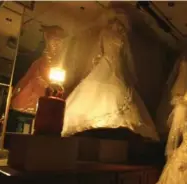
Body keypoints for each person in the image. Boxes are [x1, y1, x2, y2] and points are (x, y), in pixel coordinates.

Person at [62, 11, 159, 141]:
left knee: (118, 91)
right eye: (114, 21)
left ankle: (113, 128)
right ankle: (98, 125)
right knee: (105, 90)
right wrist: (94, 66)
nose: (116, 24)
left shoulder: (121, 35)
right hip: (106, 63)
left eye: (118, 22)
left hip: (116, 64)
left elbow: (126, 55)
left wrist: (128, 71)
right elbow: (99, 52)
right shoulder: (106, 33)